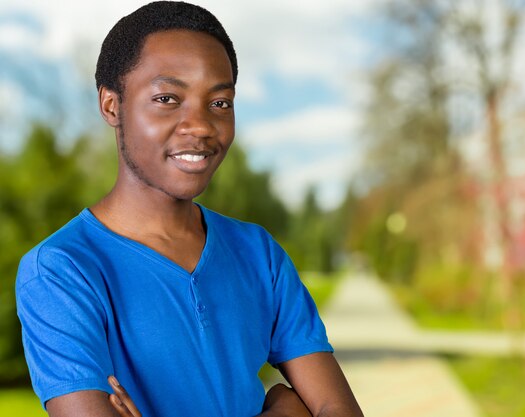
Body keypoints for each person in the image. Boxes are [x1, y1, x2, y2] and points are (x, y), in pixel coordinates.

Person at [15, 2, 363, 416]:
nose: (200, 125)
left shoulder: (258, 253)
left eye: (220, 103)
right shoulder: (61, 271)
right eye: (167, 98)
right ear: (112, 106)